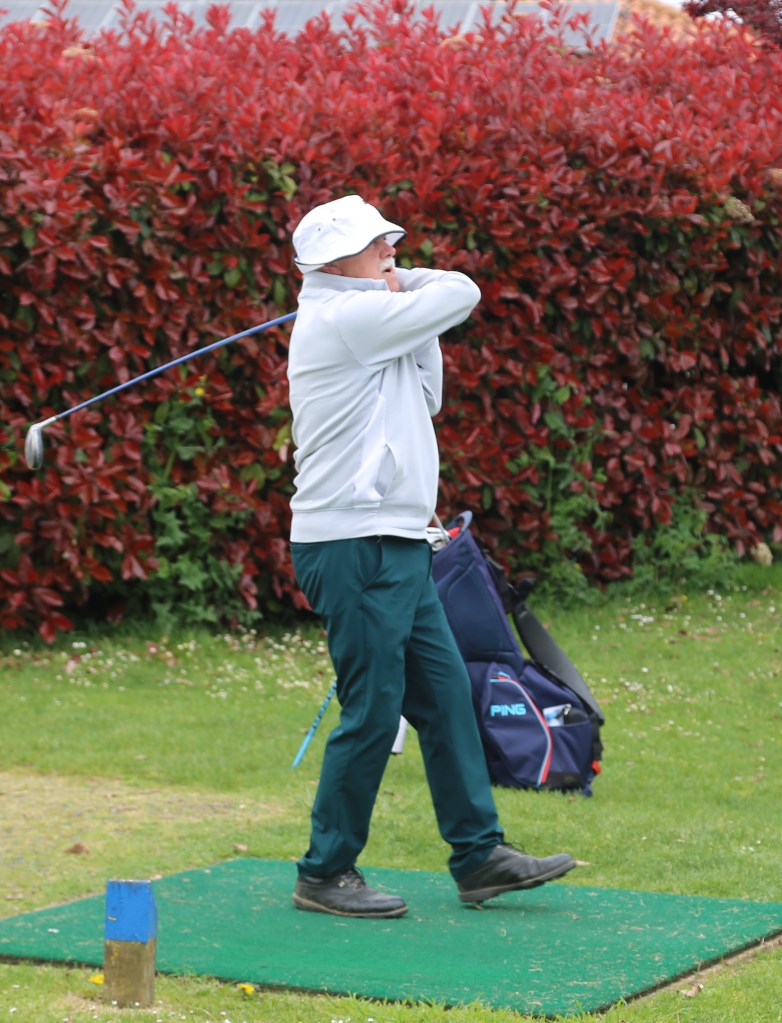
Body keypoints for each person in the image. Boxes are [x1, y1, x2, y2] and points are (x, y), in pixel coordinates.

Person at [286, 194, 576, 918]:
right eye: (377, 244)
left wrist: (393, 288)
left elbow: (429, 395)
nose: (392, 249)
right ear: (334, 263)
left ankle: (479, 855)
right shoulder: (345, 319)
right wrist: (404, 285)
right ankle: (325, 871)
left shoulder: (370, 314)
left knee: (445, 699)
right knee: (374, 709)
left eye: (391, 241)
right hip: (352, 544)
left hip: (399, 540)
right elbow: (462, 291)